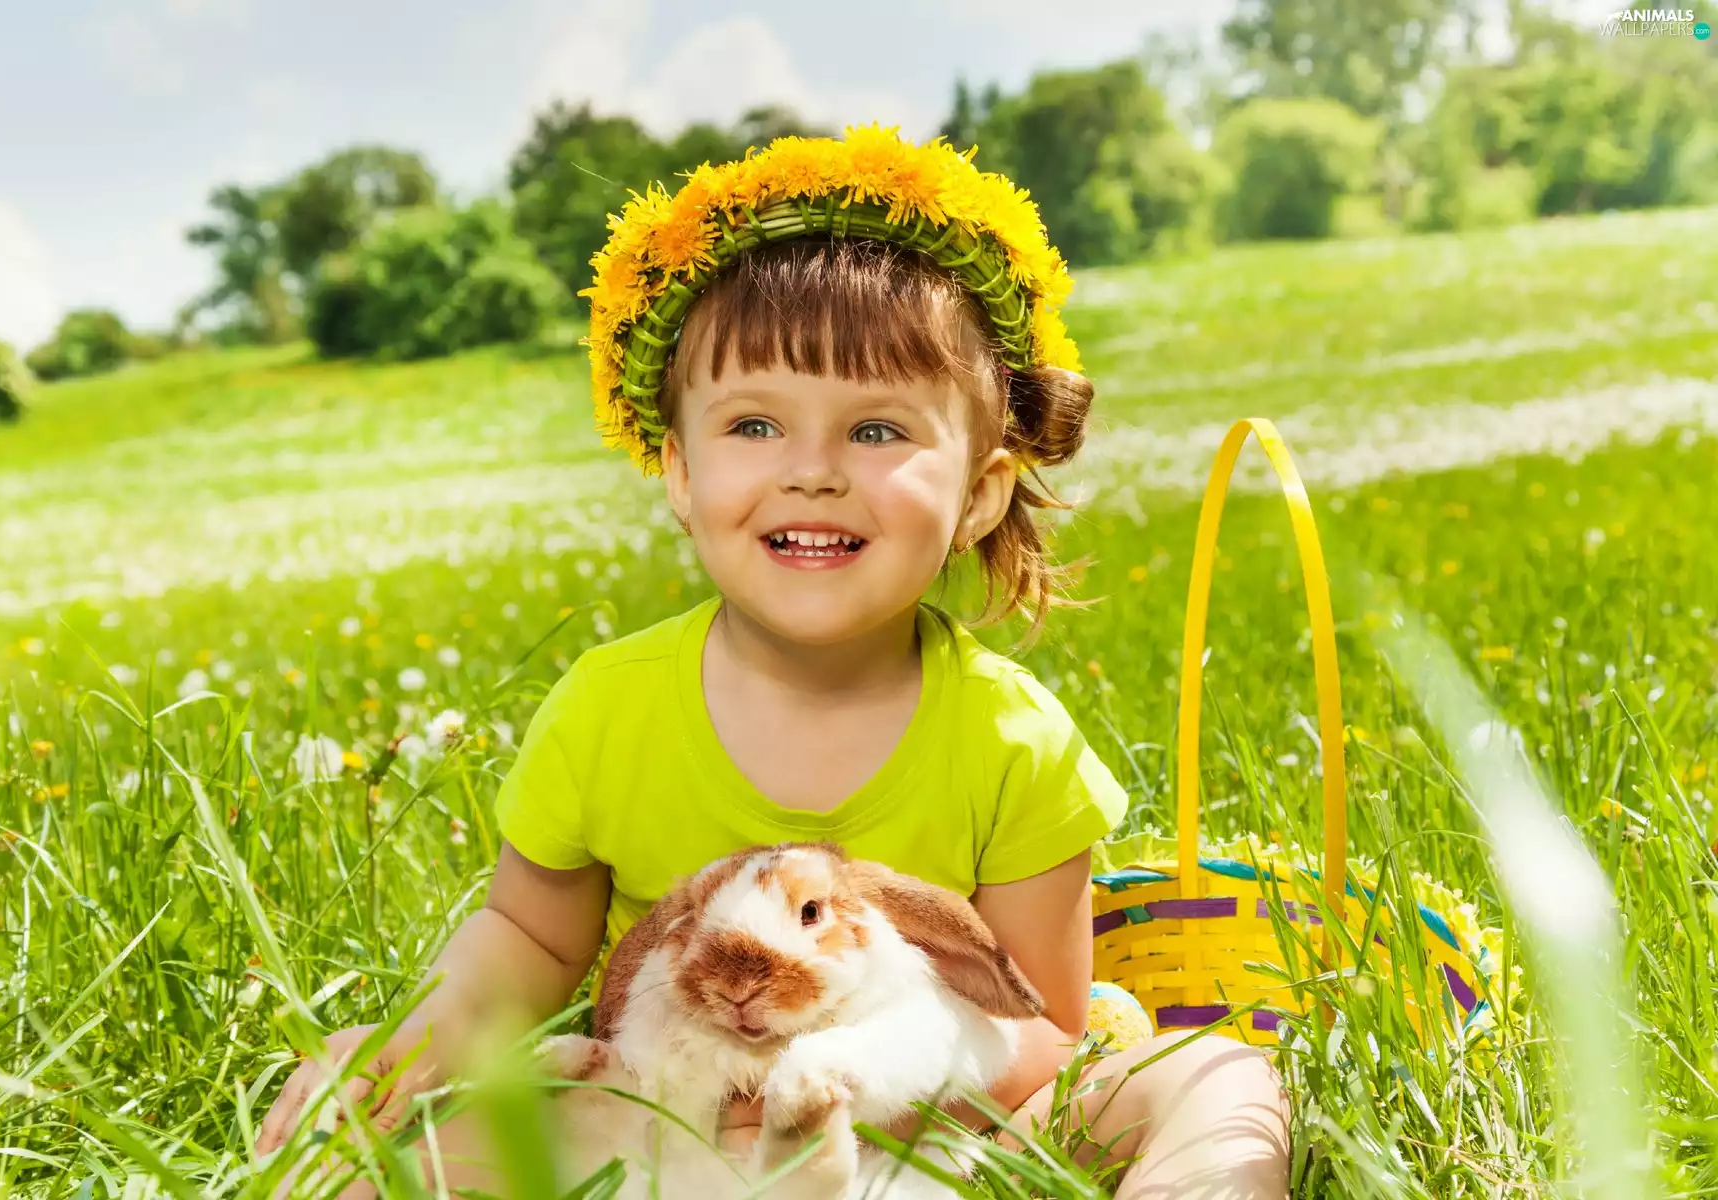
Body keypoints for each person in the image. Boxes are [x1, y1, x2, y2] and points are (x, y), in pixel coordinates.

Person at [256, 127, 1290, 1199]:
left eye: (878, 431)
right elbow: (526, 934)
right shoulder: (607, 709)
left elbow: (1039, 1030)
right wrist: (430, 1030)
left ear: (979, 493)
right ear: (680, 470)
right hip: (660, 1124)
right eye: (754, 423)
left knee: (1214, 1078)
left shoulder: (1012, 738)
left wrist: (848, 1082)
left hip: (931, 1129)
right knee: (374, 1145)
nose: (812, 473)